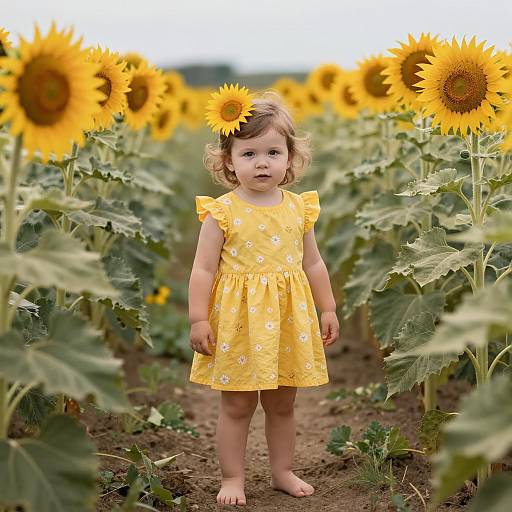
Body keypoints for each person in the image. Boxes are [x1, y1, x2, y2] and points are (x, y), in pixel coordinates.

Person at [188, 84, 340, 506]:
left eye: (272, 153)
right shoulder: (222, 212)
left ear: (290, 158)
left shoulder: (299, 208)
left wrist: (327, 307)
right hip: (239, 323)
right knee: (237, 406)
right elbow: (202, 269)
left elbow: (313, 263)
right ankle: (233, 478)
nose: (261, 163)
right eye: (248, 154)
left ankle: (282, 471)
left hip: (287, 319)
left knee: (283, 404)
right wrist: (199, 319)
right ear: (229, 162)